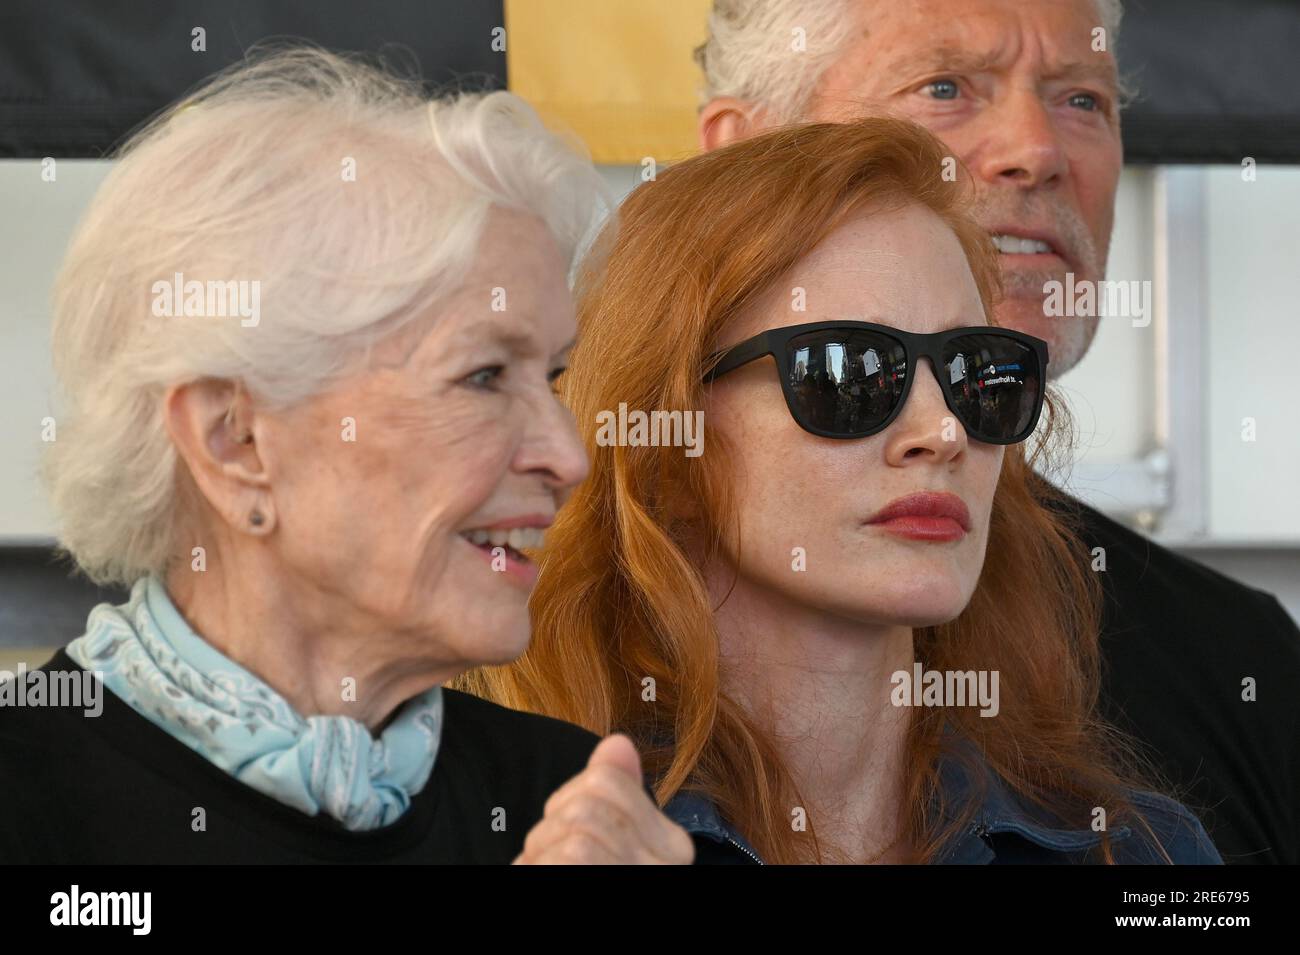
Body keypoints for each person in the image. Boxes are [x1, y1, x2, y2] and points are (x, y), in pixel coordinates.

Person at [462, 115, 1222, 864]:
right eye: (849, 370)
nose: (944, 431)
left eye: (976, 373)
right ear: (669, 450)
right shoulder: (509, 834)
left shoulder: (1143, 855)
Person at [0, 47, 693, 865]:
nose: (567, 456)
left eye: (551, 378)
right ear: (237, 441)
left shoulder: (573, 800)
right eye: (482, 377)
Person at [692, 0, 1300, 864]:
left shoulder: (1242, 665)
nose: (1039, 150)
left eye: (1081, 100)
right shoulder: (499, 652)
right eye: (945, 87)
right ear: (740, 158)